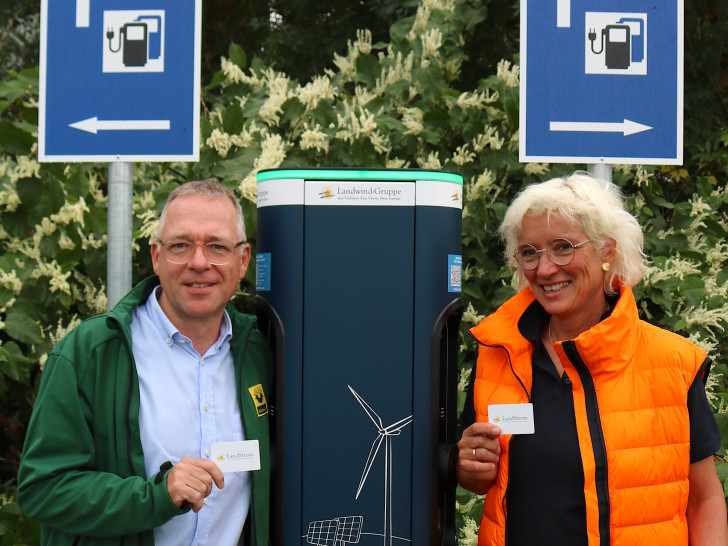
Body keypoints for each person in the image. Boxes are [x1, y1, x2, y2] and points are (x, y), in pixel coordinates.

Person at [457, 173, 727, 545]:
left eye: (563, 246)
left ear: (607, 251)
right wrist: (470, 468)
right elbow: (478, 478)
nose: (545, 268)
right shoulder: (496, 354)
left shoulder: (673, 363)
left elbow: (704, 498)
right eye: (529, 252)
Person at [17, 179, 273, 545]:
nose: (199, 263)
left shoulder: (260, 355)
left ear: (243, 260)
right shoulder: (91, 352)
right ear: (156, 256)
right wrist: (156, 496)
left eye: (217, 247)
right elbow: (43, 487)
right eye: (180, 246)